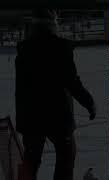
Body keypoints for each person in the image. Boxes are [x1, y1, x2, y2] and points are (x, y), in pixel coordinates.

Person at [15, 9, 96, 180]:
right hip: (57, 117)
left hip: (30, 117)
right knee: (66, 157)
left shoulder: (23, 50)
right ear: (52, 25)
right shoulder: (59, 48)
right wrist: (89, 102)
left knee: (31, 160)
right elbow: (72, 82)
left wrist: (23, 120)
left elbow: (20, 90)